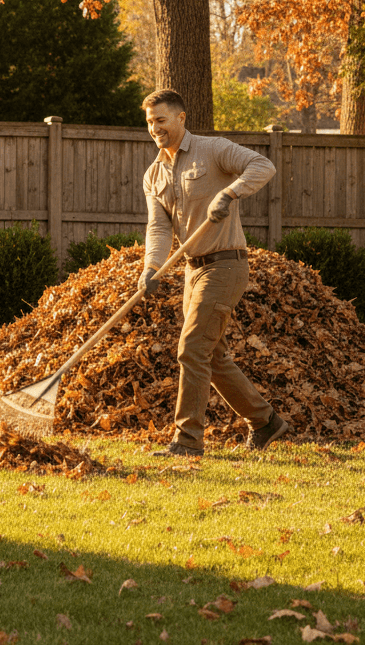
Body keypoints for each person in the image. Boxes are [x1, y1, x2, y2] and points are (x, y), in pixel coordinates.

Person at [139, 88, 288, 458]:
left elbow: (262, 166)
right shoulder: (153, 175)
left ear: (180, 118)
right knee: (212, 355)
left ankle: (187, 441)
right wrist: (151, 267)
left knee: (191, 349)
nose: (155, 128)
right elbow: (158, 228)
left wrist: (230, 194)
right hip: (192, 270)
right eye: (149, 122)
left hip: (226, 263)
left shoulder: (213, 149)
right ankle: (265, 420)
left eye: (161, 120)